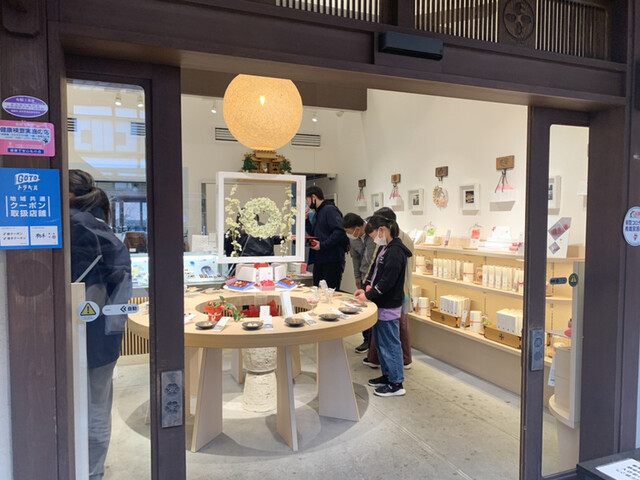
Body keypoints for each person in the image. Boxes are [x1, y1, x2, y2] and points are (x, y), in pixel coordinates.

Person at [69, 169, 132, 480]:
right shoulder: (102, 231)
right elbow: (120, 291)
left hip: (66, 334)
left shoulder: (66, 227)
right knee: (96, 406)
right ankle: (92, 473)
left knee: (69, 406)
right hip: (101, 337)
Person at [355, 215, 412, 397]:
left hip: (389, 305)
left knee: (390, 344)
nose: (374, 240)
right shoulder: (385, 248)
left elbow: (387, 281)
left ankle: (396, 383)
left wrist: (368, 295)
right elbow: (375, 273)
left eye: (373, 235)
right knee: (381, 343)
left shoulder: (396, 251)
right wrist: (366, 289)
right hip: (380, 303)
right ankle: (387, 375)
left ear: (382, 230)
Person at [362, 207, 415, 369]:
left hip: (395, 292)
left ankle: (397, 369)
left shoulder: (395, 245)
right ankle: (385, 364)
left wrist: (370, 292)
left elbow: (387, 275)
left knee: (393, 333)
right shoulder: (389, 241)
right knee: (387, 332)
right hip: (393, 290)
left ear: (383, 226)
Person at [343, 213, 376, 354]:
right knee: (363, 307)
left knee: (374, 309)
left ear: (357, 228)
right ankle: (366, 340)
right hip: (363, 277)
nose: (348, 234)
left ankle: (375, 343)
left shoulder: (374, 233)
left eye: (349, 231)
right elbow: (355, 259)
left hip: (375, 277)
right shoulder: (354, 240)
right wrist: (357, 277)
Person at [305, 185, 348, 290]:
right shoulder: (318, 212)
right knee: (317, 290)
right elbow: (313, 233)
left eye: (307, 200)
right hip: (320, 258)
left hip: (332, 259)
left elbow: (340, 231)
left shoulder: (329, 209)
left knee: (329, 290)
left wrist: (323, 245)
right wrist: (306, 220)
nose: (307, 203)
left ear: (314, 197)